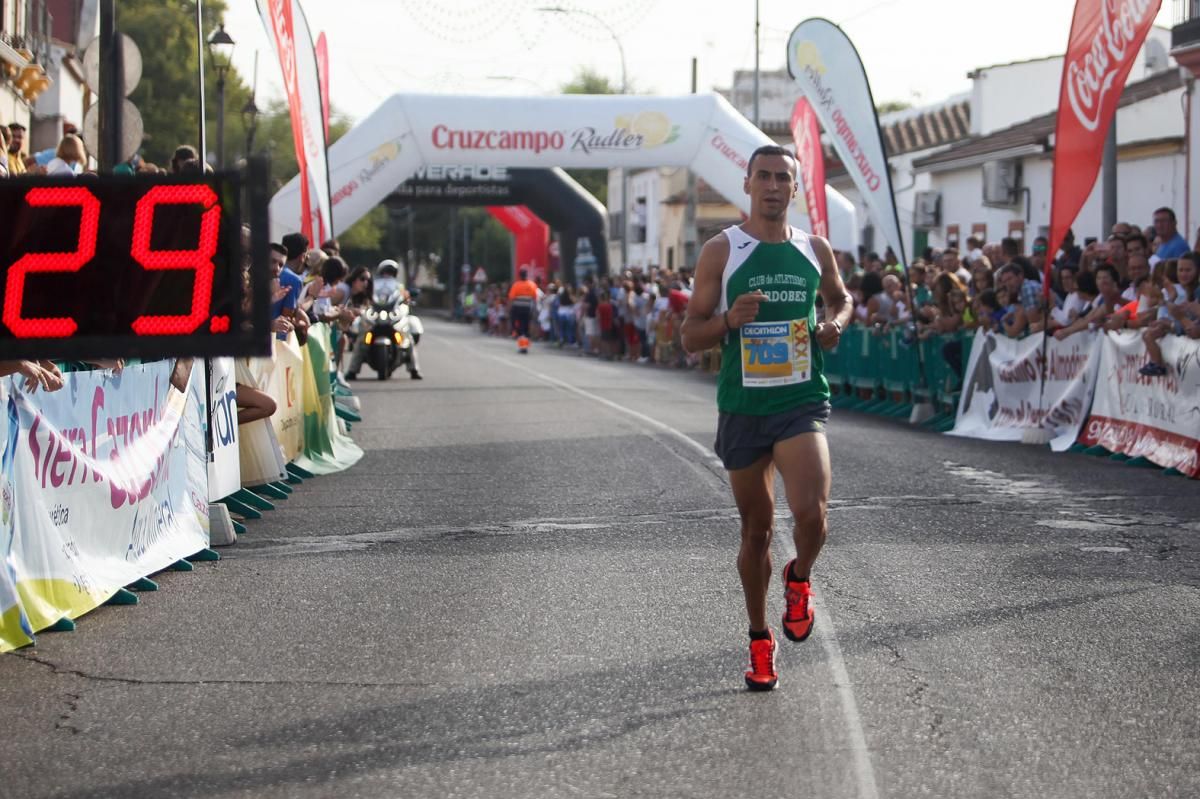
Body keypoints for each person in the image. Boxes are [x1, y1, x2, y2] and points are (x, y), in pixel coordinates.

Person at [680, 144, 852, 692]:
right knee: (756, 531)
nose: (774, 186)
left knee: (812, 513)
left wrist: (835, 324)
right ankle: (759, 638)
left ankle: (798, 577)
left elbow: (841, 300)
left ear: (795, 189)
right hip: (744, 406)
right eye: (765, 176)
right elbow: (688, 336)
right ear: (748, 184)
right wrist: (729, 320)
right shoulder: (722, 251)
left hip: (801, 399)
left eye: (784, 177)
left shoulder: (813, 248)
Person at [507, 268, 540, 353]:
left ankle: (523, 346)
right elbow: (535, 298)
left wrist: (509, 309)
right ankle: (525, 345)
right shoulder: (532, 285)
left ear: (520, 275)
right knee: (525, 327)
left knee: (520, 328)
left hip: (517, 309)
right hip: (527, 309)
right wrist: (535, 310)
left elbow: (511, 298)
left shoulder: (516, 285)